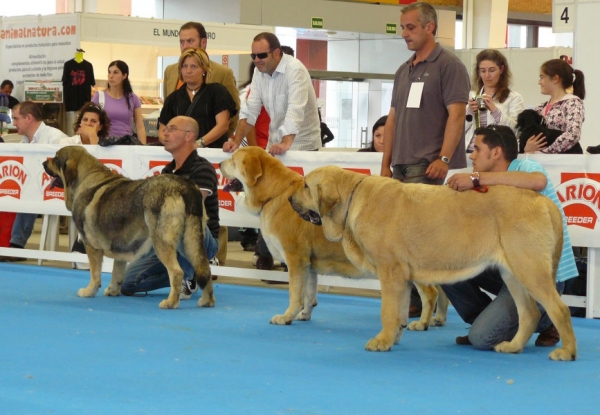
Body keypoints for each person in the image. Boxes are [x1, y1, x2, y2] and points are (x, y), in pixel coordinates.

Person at [444, 125, 579, 350]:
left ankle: (546, 320)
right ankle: (487, 322)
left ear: (496, 152)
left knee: (482, 339)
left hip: (544, 274)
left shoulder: (525, 165)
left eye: (477, 149)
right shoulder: (486, 183)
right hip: (508, 265)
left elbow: (538, 182)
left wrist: (476, 178)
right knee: (445, 264)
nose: (472, 155)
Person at [380, 2, 470, 316]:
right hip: (401, 166)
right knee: (400, 239)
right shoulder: (403, 70)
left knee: (419, 240)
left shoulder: (449, 65)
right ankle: (419, 300)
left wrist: (444, 158)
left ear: (429, 27)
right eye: (403, 28)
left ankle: (424, 301)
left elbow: (457, 116)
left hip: (428, 165)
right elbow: (391, 120)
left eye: (411, 28)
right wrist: (385, 164)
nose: (404, 34)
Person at [121, 116, 220, 298]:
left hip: (201, 237)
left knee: (182, 220)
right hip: (168, 238)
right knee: (127, 283)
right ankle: (188, 273)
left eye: (173, 129)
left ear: (189, 136)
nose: (165, 133)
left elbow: (193, 206)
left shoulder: (203, 168)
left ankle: (188, 276)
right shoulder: (167, 172)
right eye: (166, 129)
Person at [0, 101, 85, 262]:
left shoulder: (55, 138)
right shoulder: (25, 141)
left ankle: (16, 245)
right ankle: (10, 243)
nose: (14, 123)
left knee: (30, 188)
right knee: (16, 186)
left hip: (64, 187)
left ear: (29, 118)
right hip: (41, 186)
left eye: (17, 119)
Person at [224, 32, 322, 155]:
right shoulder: (258, 72)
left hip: (303, 147)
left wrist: (285, 143)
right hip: (274, 145)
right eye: (253, 56)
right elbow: (250, 110)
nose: (256, 60)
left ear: (276, 53)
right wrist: (236, 142)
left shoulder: (295, 70)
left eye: (261, 55)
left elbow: (295, 110)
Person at [163, 21, 240, 138]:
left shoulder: (223, 73)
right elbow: (167, 110)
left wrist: (215, 140)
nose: (185, 46)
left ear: (203, 42)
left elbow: (233, 114)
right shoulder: (170, 71)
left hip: (211, 146)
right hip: (179, 145)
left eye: (190, 41)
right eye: (182, 42)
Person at [158, 48, 237, 149]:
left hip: (212, 152)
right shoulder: (173, 98)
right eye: (184, 66)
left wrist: (199, 144)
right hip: (182, 155)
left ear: (204, 69)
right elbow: (162, 130)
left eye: (194, 67)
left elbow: (222, 126)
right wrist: (172, 143)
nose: (188, 71)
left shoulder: (217, 92)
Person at [465, 49, 524, 152]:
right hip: (470, 151)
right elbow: (456, 129)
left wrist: (495, 110)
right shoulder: (470, 95)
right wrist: (469, 111)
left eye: (492, 70)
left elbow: (516, 131)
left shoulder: (514, 98)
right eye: (483, 71)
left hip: (496, 152)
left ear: (501, 69)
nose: (487, 75)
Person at [524, 59, 585, 154]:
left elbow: (573, 134)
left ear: (556, 78)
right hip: (541, 161)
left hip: (564, 160)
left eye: (542, 77)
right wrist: (528, 147)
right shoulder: (541, 107)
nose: (539, 82)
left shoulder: (572, 103)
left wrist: (545, 152)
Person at [91, 60, 147, 144]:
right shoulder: (99, 96)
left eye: (115, 72)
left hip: (127, 143)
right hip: (105, 144)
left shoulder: (133, 98)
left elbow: (140, 127)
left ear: (124, 75)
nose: (111, 76)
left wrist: (143, 148)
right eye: (109, 72)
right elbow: (91, 123)